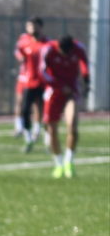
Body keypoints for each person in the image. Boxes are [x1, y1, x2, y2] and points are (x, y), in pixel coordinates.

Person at [40, 34, 90, 178]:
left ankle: (69, 161)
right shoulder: (48, 49)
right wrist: (59, 86)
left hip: (71, 91)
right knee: (51, 130)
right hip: (54, 91)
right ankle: (58, 163)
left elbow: (85, 64)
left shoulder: (79, 48)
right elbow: (42, 72)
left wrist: (87, 81)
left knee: (72, 126)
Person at [16, 17, 48, 153]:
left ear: (40, 27)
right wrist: (20, 57)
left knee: (46, 113)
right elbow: (18, 51)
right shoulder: (24, 41)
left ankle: (48, 141)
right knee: (24, 111)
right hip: (29, 82)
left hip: (45, 83)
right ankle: (28, 140)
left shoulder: (47, 43)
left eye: (35, 26)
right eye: (30, 26)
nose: (32, 29)